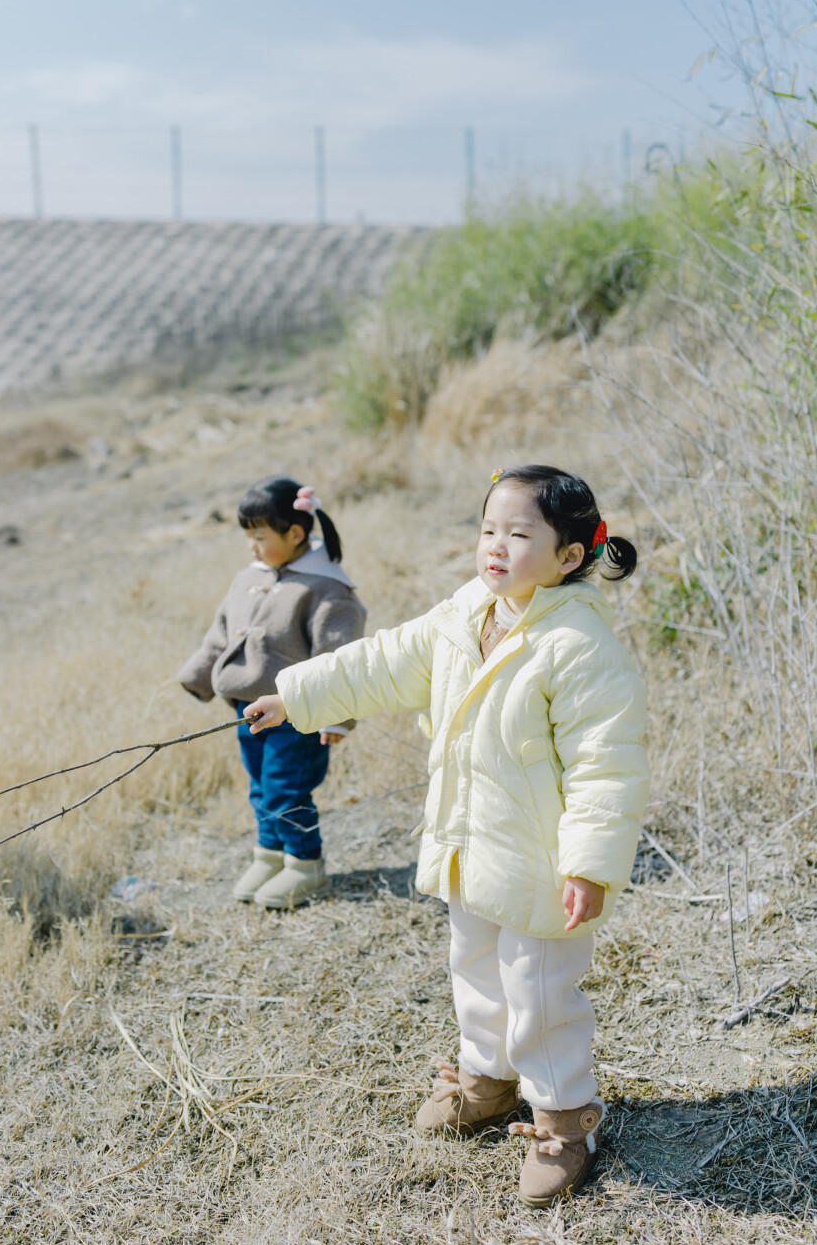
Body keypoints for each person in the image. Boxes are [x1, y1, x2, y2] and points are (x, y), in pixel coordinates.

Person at [243, 464, 649, 1207]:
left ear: (568, 557)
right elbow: (385, 661)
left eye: (519, 533)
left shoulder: (576, 643)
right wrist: (295, 694)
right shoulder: (470, 611)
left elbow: (607, 765)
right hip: (472, 845)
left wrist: (589, 867)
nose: (495, 545)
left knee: (540, 991)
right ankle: (487, 1081)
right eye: (488, 529)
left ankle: (566, 1118)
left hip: (541, 864)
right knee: (476, 970)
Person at [177, 477, 366, 908]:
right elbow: (221, 633)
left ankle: (305, 864)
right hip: (250, 711)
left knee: (287, 788)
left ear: (295, 534)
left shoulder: (326, 589)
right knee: (261, 785)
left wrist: (336, 715)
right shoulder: (249, 578)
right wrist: (199, 676)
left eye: (259, 537)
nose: (251, 546)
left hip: (299, 713)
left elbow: (338, 658)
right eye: (248, 536)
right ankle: (271, 855)